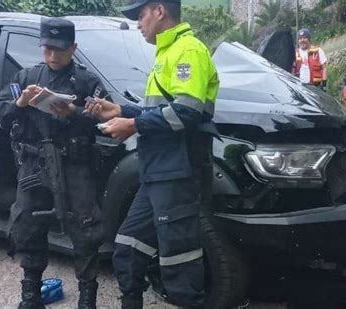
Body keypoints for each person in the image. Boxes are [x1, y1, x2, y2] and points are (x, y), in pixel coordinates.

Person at [85, 0, 219, 308]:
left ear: (160, 10)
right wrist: (119, 110)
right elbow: (159, 111)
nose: (137, 23)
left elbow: (186, 113)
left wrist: (131, 123)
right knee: (126, 249)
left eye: (140, 15)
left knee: (179, 266)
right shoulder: (165, 54)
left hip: (178, 173)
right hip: (157, 173)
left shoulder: (189, 50)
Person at [0, 17, 107, 309]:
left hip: (75, 165)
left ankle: (87, 297)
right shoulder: (26, 77)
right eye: (47, 49)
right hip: (34, 165)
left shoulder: (86, 81)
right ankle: (31, 294)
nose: (53, 56)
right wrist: (19, 104)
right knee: (28, 225)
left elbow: (105, 121)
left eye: (60, 49)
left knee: (86, 228)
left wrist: (73, 113)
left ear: (73, 48)